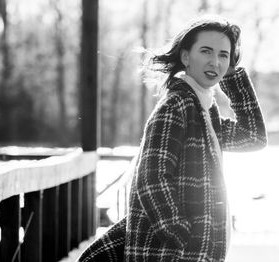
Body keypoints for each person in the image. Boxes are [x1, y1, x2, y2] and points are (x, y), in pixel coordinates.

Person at [78, 15, 267, 262]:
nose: (215, 61)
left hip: (192, 251)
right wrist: (178, 233)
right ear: (186, 57)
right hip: (171, 253)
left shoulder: (203, 110)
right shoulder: (176, 106)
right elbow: (151, 178)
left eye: (223, 55)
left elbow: (253, 136)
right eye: (206, 51)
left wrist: (232, 77)